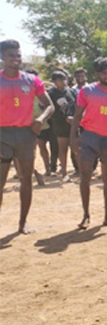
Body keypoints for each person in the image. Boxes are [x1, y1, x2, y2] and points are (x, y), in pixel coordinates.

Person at [69, 57, 107, 229]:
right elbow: (77, 116)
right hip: (89, 138)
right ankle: (86, 215)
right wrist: (73, 138)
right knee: (85, 177)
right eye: (104, 73)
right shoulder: (87, 91)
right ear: (96, 74)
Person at [0, 39, 54, 234]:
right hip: (2, 134)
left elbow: (49, 105)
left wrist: (40, 119)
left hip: (26, 134)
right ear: (2, 58)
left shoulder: (32, 81)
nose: (16, 59)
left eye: (18, 55)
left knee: (26, 179)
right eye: (11, 56)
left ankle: (23, 222)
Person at [47, 70, 77, 182]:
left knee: (76, 148)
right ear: (54, 81)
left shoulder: (71, 92)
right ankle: (64, 173)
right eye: (60, 80)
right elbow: (49, 109)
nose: (63, 81)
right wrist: (64, 118)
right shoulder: (51, 94)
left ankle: (81, 172)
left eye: (64, 79)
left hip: (73, 124)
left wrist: (75, 118)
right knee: (63, 149)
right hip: (60, 125)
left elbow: (77, 105)